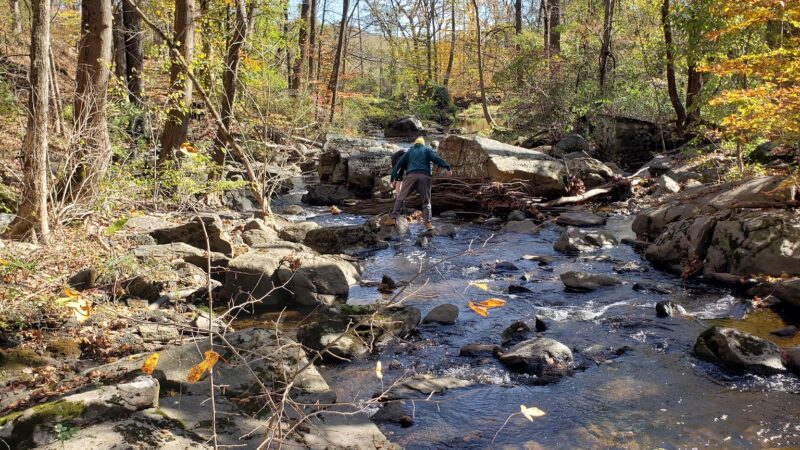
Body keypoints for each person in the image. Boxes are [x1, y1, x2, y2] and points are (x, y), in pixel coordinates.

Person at [385, 137, 452, 230]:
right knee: (426, 202)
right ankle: (428, 224)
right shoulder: (427, 150)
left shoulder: (409, 151)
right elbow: (436, 159)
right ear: (423, 144)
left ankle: (392, 218)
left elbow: (398, 165)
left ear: (415, 144)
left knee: (400, 198)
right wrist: (447, 167)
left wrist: (392, 179)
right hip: (425, 177)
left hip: (411, 177)